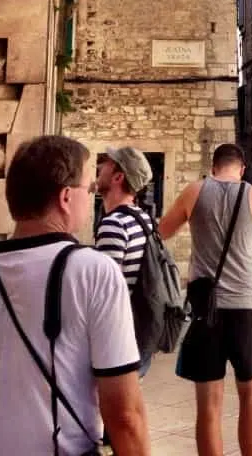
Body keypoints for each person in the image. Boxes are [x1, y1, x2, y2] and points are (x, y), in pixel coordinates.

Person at [0, 135, 151, 456]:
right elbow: (125, 416)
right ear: (66, 197)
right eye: (88, 189)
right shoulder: (95, 273)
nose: (91, 196)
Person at [158, 142, 252, 456]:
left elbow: (163, 231)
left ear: (213, 167)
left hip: (205, 309)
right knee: (251, 393)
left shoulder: (195, 191)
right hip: (246, 306)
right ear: (241, 168)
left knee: (209, 404)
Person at [95, 146, 154, 375]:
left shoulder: (114, 224)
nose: (100, 166)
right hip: (139, 332)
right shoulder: (143, 218)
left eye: (107, 163)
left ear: (118, 177)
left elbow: (104, 291)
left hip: (119, 335)